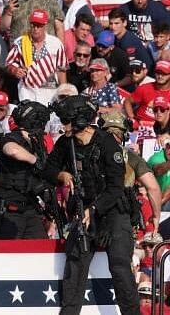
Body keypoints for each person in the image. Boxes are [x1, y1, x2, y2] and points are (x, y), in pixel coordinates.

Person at [43, 95, 139, 315]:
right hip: (83, 211)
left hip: (112, 211)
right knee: (75, 264)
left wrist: (94, 209)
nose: (63, 125)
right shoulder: (65, 143)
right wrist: (62, 174)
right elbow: (47, 170)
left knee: (119, 265)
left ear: (79, 120)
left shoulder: (106, 143)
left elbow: (116, 187)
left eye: (66, 120)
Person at [0, 100, 50, 239]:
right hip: (9, 211)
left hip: (30, 208)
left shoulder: (38, 144)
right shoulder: (12, 137)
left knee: (40, 249)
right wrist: (35, 160)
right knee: (7, 255)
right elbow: (12, 150)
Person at [99, 111, 161, 234]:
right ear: (125, 134)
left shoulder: (88, 152)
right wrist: (156, 216)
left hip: (94, 211)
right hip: (121, 216)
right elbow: (153, 188)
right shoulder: (130, 156)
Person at [6, 9, 67, 104]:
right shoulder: (20, 42)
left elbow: (62, 69)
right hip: (27, 92)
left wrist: (63, 92)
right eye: (33, 25)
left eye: (39, 25)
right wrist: (15, 70)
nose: (35, 28)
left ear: (45, 25)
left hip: (50, 93)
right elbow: (9, 64)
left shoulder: (56, 43)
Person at [0, 0, 64, 42]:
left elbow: (59, 28)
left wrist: (61, 49)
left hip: (45, 49)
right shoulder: (14, 2)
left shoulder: (50, 2)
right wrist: (8, 13)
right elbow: (3, 27)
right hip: (20, 49)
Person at [109, 8, 155, 73]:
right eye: (111, 23)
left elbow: (131, 64)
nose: (113, 27)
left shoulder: (128, 42)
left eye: (116, 23)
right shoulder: (118, 37)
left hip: (143, 73)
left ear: (124, 23)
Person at [125, 60, 170, 125]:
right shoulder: (145, 87)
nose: (160, 76)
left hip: (163, 129)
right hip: (141, 126)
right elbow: (127, 101)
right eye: (158, 73)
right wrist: (132, 118)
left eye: (164, 73)